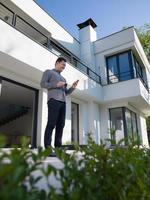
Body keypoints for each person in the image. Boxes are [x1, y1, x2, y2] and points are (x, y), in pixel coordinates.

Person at [40, 57, 79, 154]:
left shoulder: (63, 78)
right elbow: (43, 84)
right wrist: (56, 85)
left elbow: (65, 92)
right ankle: (48, 148)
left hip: (63, 102)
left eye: (65, 65)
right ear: (57, 63)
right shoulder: (48, 72)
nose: (64, 67)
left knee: (61, 125)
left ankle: (58, 148)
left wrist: (72, 88)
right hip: (53, 100)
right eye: (63, 64)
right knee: (51, 123)